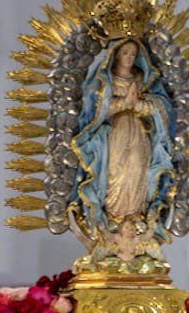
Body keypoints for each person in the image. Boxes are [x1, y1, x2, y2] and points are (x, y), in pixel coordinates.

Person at [73, 38, 176, 260]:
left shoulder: (143, 80)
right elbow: (91, 114)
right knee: (115, 173)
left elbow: (162, 108)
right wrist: (122, 105)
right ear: (115, 55)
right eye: (125, 53)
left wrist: (139, 105)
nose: (129, 58)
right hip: (115, 134)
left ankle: (136, 216)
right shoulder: (103, 82)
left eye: (133, 53)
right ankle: (112, 219)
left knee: (137, 169)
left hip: (139, 134)